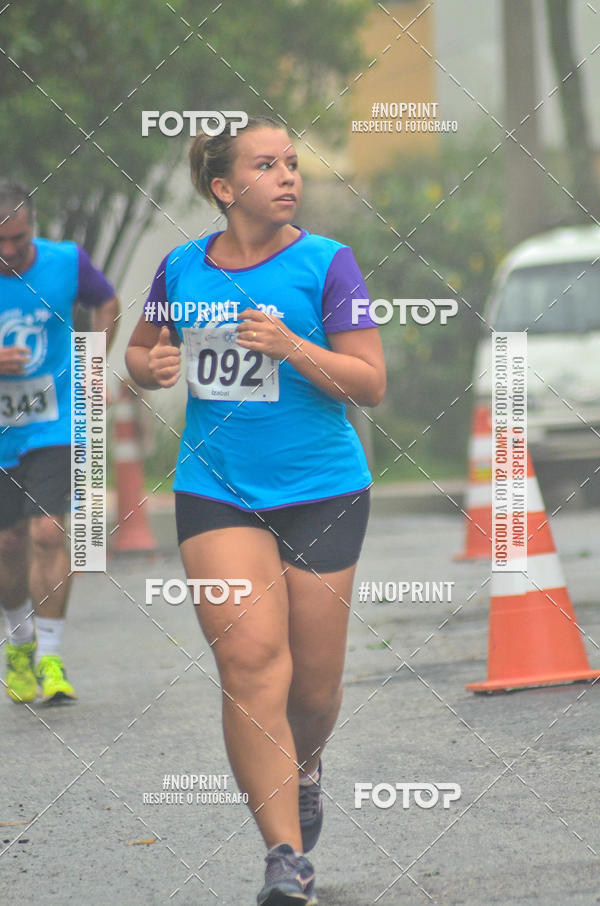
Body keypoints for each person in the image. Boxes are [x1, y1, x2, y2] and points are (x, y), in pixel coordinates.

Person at [126, 115, 385, 905]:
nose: (287, 177)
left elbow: (370, 383)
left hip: (323, 490)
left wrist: (291, 347)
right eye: (266, 165)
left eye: (292, 165)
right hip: (217, 488)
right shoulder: (180, 268)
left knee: (312, 687)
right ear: (224, 187)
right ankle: (284, 857)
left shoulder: (326, 265)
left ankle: (305, 766)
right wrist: (151, 364)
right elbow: (139, 354)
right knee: (249, 667)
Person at [0, 181, 119, 704]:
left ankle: (50, 657)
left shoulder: (66, 261)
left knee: (49, 531)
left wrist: (93, 367)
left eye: (18, 241)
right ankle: (19, 645)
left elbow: (107, 300)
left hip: (55, 420)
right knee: (7, 544)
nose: (8, 254)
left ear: (34, 224)